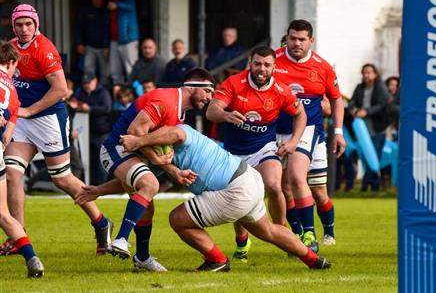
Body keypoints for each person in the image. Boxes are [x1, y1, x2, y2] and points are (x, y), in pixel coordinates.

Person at [77, 124, 332, 272]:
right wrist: (98, 191)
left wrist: (138, 140)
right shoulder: (165, 145)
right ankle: (313, 259)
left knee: (178, 219)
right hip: (249, 179)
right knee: (269, 231)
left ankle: (217, 260)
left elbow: (177, 136)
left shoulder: (175, 131)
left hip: (234, 189)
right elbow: (136, 179)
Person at [0, 4, 113, 256]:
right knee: (12, 173)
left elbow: (61, 90)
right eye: (19, 24)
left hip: (48, 119)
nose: (24, 29)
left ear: (36, 24)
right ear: (13, 26)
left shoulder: (45, 49)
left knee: (62, 179)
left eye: (29, 24)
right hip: (23, 119)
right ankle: (18, 237)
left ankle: (101, 223)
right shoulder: (11, 47)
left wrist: (29, 110)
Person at [77, 68, 215, 272]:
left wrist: (175, 171)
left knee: (147, 204)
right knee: (150, 184)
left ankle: (142, 257)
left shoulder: (180, 112)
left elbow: (146, 152)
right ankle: (121, 239)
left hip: (134, 154)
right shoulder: (166, 101)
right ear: (193, 87)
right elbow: (134, 133)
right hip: (116, 148)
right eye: (208, 91)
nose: (209, 98)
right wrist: (156, 158)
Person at [206, 46, 307, 262]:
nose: (262, 68)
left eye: (267, 65)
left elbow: (300, 114)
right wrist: (225, 115)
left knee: (273, 185)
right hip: (233, 153)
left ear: (274, 67)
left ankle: (283, 234)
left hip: (264, 148)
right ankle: (242, 240)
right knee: (238, 195)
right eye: (258, 63)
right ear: (250, 63)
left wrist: (293, 142)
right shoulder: (233, 83)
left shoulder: (281, 90)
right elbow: (211, 111)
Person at [274, 19, 346, 250]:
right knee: (285, 188)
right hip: (276, 131)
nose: (296, 43)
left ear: (310, 41)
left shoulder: (322, 67)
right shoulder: (271, 61)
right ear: (287, 37)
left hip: (309, 130)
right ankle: (299, 237)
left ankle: (326, 233)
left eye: (302, 39)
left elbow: (336, 99)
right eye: (293, 38)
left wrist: (338, 131)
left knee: (315, 189)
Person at [0, 41, 44, 277]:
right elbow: (13, 114)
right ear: (11, 63)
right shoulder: (12, 88)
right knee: (3, 213)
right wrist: (7, 130)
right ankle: (32, 259)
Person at [348, 63, 389, 192]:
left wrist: (367, 111)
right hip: (362, 129)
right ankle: (372, 187)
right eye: (364, 72)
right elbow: (352, 102)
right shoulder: (360, 88)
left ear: (375, 74)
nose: (366, 75)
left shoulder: (381, 87)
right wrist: (354, 110)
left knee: (374, 157)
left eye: (369, 72)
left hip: (377, 129)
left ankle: (368, 186)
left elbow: (382, 105)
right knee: (366, 158)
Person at [70, 72, 112, 185]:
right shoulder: (80, 93)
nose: (86, 85)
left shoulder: (103, 92)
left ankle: (102, 185)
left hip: (101, 132)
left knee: (101, 161)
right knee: (89, 160)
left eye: (88, 83)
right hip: (86, 132)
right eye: (84, 83)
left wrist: (90, 109)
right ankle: (92, 184)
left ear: (95, 81)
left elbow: (107, 108)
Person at [75, 0, 110, 86]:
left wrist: (108, 46)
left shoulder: (107, 10)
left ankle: (103, 94)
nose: (97, 1)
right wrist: (80, 43)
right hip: (89, 46)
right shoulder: (86, 10)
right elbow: (79, 27)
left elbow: (111, 29)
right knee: (88, 71)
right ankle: (88, 92)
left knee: (105, 73)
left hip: (104, 47)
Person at [108, 0, 139, 84]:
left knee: (131, 69)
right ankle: (118, 93)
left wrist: (117, 5)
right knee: (115, 70)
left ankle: (133, 92)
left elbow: (131, 6)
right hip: (114, 40)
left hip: (128, 39)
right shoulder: (111, 1)